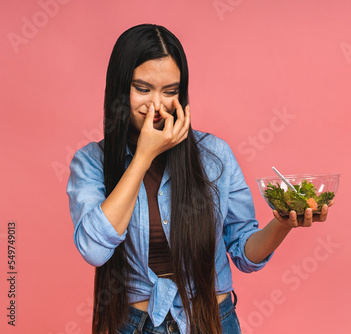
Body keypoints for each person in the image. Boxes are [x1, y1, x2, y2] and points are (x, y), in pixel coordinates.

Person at [67, 24, 333, 334]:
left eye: (170, 91)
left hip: (212, 321)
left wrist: (284, 221)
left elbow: (246, 253)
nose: (157, 105)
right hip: (136, 325)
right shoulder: (90, 163)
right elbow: (94, 249)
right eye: (143, 89)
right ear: (119, 88)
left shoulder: (214, 155)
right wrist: (142, 158)